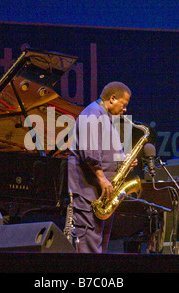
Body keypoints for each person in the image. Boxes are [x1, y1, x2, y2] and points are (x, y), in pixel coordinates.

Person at [68, 81, 136, 253]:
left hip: (102, 195)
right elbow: (90, 154)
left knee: (99, 247)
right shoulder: (92, 114)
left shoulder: (106, 118)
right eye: (124, 104)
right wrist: (102, 178)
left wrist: (125, 162)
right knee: (89, 247)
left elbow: (106, 153)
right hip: (88, 193)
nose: (125, 109)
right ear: (113, 98)